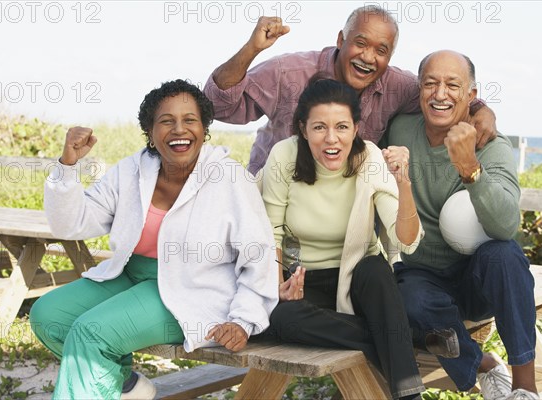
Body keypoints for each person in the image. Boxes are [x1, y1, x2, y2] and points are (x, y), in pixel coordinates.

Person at [29, 79, 278, 399]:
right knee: (49, 316)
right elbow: (71, 225)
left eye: (190, 120)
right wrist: (68, 167)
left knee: (92, 332)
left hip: (193, 291)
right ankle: (126, 386)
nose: (179, 129)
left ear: (204, 128)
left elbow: (258, 255)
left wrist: (245, 320)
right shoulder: (131, 171)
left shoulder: (229, 179)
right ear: (150, 130)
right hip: (133, 276)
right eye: (166, 121)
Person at [261, 74, 425, 400]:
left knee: (375, 268)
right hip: (303, 281)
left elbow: (406, 240)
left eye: (342, 127)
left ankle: (410, 395)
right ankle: (408, 338)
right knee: (281, 318)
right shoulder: (284, 156)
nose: (331, 138)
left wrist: (403, 183)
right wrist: (279, 287)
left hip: (359, 280)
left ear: (356, 129)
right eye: (319, 127)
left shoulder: (370, 160)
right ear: (303, 129)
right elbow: (271, 233)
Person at [385, 50, 538, 400]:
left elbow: (505, 225)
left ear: (471, 96)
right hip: (423, 275)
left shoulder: (492, 146)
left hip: (478, 278)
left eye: (453, 85)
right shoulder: (399, 129)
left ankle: (525, 386)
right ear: (418, 91)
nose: (440, 94)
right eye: (430, 84)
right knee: (408, 299)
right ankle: (482, 365)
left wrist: (470, 168)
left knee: (505, 254)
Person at [203, 5, 497, 174]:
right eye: (361, 43)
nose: (369, 57)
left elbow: (438, 95)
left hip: (340, 214)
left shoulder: (398, 86)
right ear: (341, 39)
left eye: (381, 50)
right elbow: (218, 107)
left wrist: (481, 109)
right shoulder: (288, 72)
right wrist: (251, 49)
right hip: (273, 199)